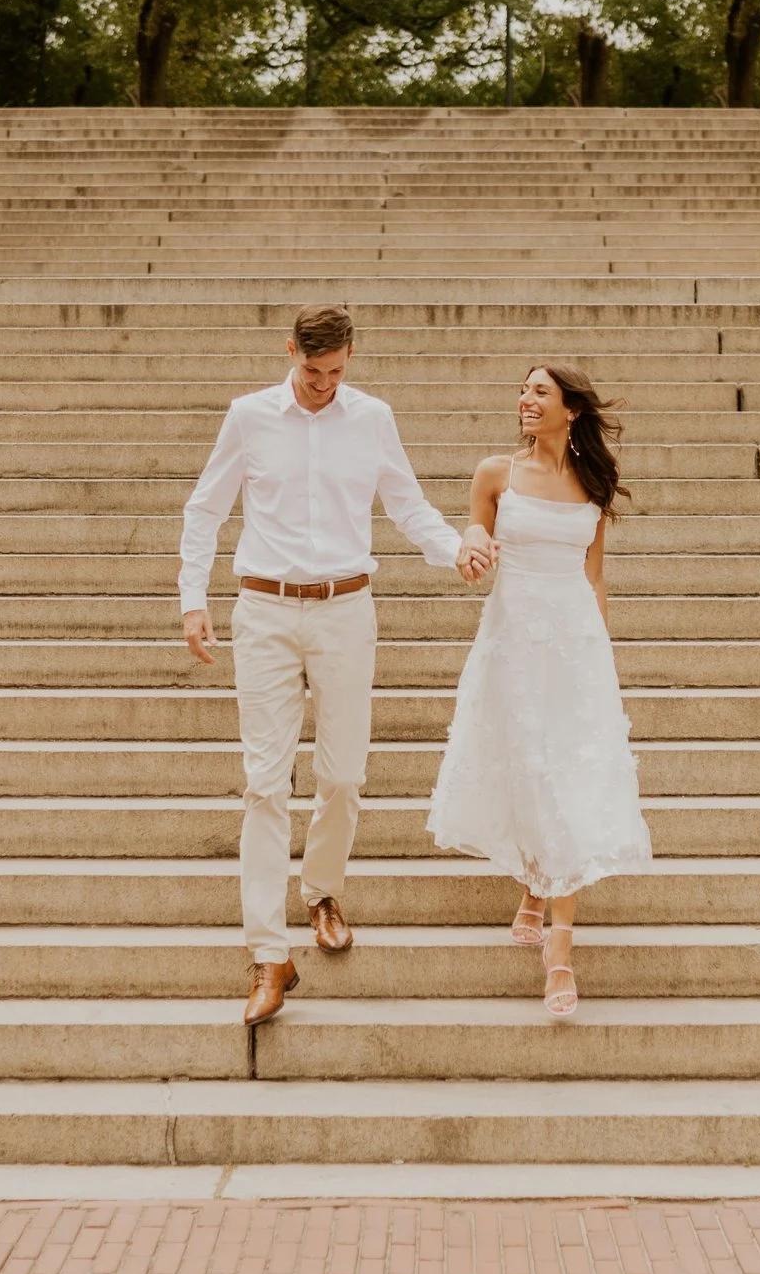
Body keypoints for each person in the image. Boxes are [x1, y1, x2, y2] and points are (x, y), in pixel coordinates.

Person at [180, 304, 493, 1025]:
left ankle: (321, 889)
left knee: (344, 775)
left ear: (351, 358)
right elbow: (205, 508)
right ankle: (267, 953)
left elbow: (408, 507)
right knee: (263, 784)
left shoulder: (371, 417)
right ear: (291, 352)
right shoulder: (249, 416)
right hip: (263, 610)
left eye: (337, 372)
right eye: (312, 371)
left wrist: (457, 550)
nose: (324, 384)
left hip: (347, 609)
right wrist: (192, 597)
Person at [426, 363, 652, 1019]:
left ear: (571, 409)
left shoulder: (592, 484)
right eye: (523, 390)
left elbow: (595, 577)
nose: (526, 399)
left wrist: (599, 658)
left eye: (540, 391)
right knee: (530, 770)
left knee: (568, 778)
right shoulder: (494, 474)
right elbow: (475, 550)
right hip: (513, 643)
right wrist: (472, 552)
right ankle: (533, 878)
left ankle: (560, 947)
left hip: (575, 648)